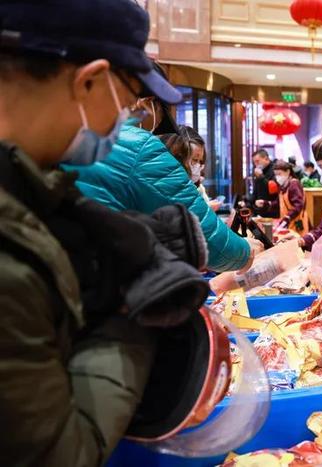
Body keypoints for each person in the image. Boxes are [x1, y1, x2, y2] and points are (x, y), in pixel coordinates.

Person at [0, 0, 210, 464]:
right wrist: (136, 310)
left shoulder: (31, 191)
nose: (127, 119)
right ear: (88, 80)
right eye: (130, 100)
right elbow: (62, 454)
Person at [64, 63, 253, 272]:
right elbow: (205, 236)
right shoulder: (138, 145)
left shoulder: (67, 135)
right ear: (146, 103)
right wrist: (247, 252)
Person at [160, 125, 222, 210]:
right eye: (195, 160)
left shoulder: (193, 186)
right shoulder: (165, 189)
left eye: (200, 161)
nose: (199, 166)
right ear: (178, 158)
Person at [258, 160, 309, 235]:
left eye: (279, 174)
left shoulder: (294, 184)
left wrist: (288, 217)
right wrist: (266, 203)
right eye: (276, 174)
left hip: (297, 223)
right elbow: (280, 202)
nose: (277, 177)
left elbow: (298, 205)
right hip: (288, 222)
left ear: (288, 172)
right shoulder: (283, 185)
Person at [252, 148, 278, 216]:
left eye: (257, 161)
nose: (256, 164)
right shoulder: (260, 170)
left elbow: (273, 190)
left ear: (266, 159)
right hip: (259, 209)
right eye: (254, 162)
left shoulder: (275, 169)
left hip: (272, 210)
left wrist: (261, 177)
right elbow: (255, 192)